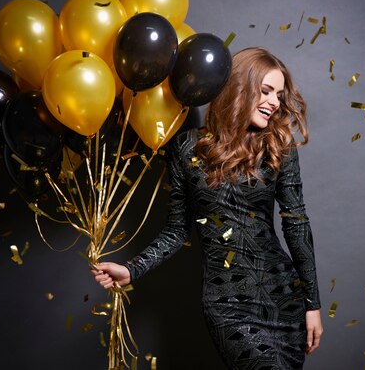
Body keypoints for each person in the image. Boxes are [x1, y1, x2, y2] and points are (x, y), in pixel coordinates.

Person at [92, 47, 323, 369]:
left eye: (279, 95)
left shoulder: (278, 146)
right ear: (240, 87)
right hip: (226, 304)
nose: (274, 102)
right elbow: (176, 229)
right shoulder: (186, 148)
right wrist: (133, 269)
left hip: (283, 295)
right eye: (266, 91)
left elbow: (296, 225)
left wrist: (312, 304)